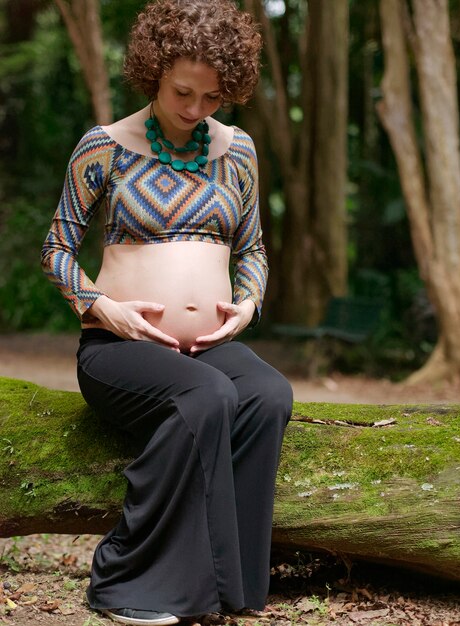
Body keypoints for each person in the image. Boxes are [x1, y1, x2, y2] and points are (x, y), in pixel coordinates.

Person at [41, 1, 293, 624]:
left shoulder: (238, 153)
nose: (194, 109)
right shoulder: (103, 147)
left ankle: (228, 585)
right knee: (206, 397)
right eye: (183, 91)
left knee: (267, 393)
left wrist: (248, 304)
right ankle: (124, 577)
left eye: (212, 98)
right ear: (154, 70)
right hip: (118, 349)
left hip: (207, 345)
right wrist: (103, 307)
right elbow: (56, 250)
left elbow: (253, 250)